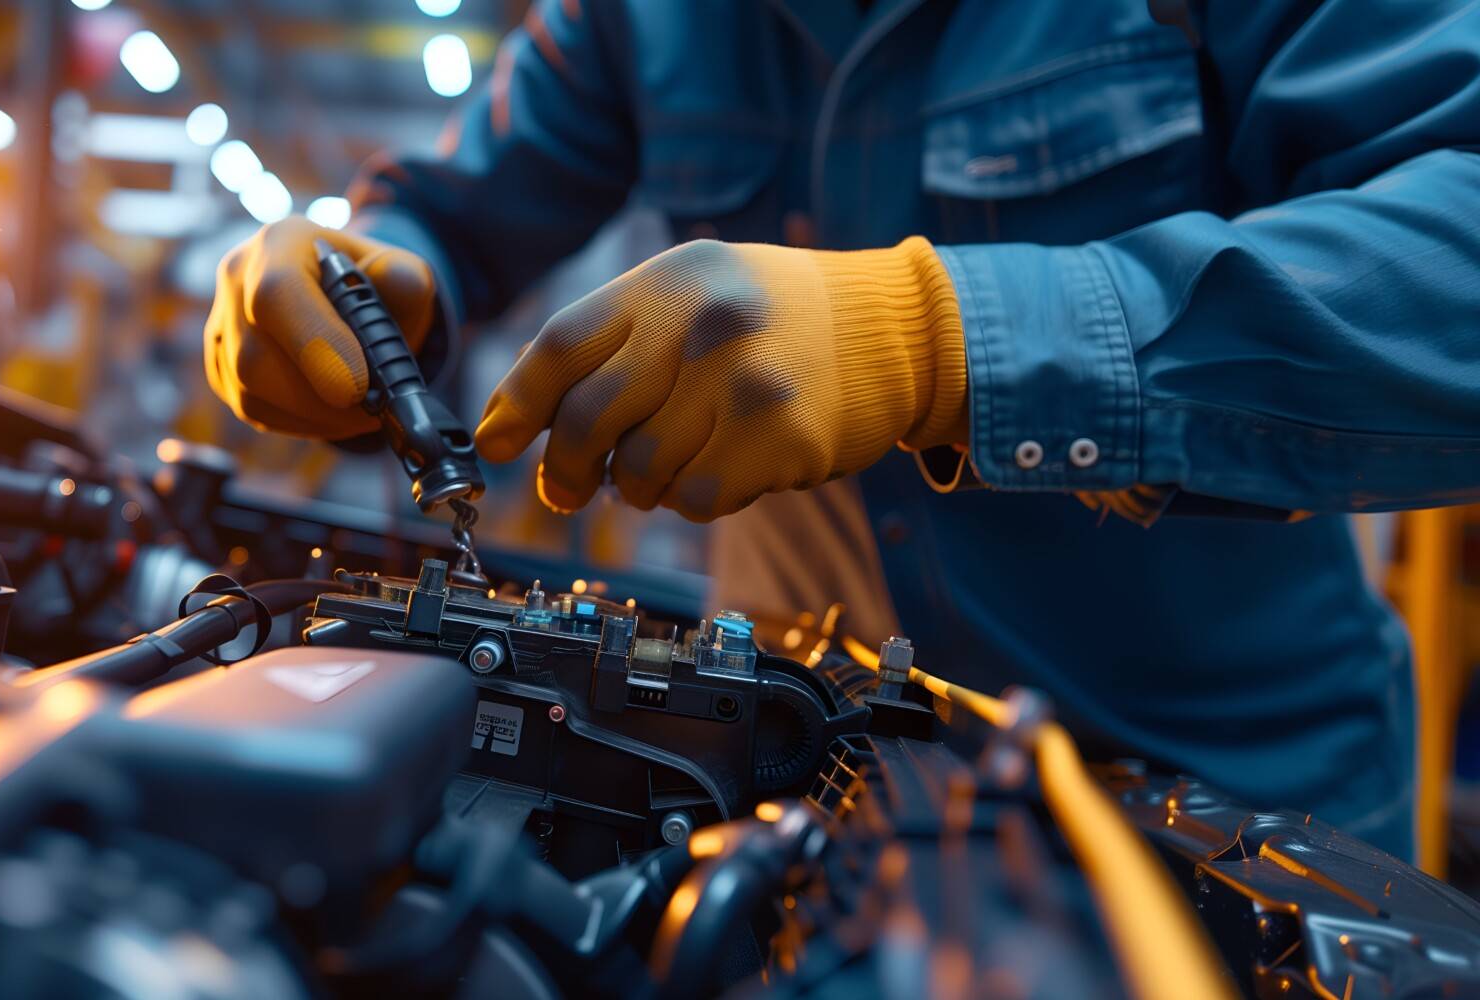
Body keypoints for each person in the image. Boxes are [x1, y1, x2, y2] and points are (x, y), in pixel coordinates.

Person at [203, 0, 1480, 858]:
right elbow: (453, 217)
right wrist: (374, 275)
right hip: (816, 796)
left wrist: (935, 341)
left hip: (1217, 826)